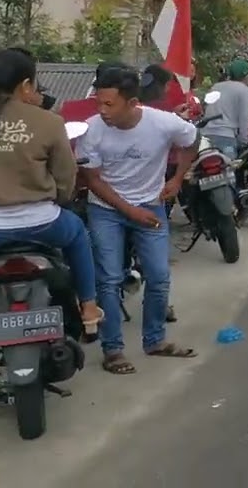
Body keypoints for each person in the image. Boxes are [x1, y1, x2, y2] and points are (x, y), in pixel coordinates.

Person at [76, 67, 201, 375]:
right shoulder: (92, 129)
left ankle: (155, 340)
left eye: (109, 104)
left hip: (151, 206)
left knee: (159, 276)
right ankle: (113, 350)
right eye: (99, 103)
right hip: (106, 210)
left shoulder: (163, 122)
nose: (102, 111)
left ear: (133, 103)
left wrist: (178, 179)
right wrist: (130, 212)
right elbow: (91, 179)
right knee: (109, 278)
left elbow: (193, 140)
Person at [0, 49, 103, 337]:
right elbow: (66, 178)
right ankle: (89, 308)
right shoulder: (48, 121)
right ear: (25, 86)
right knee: (78, 233)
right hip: (40, 223)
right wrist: (59, 199)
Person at [201, 60, 248, 160]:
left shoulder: (215, 87)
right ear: (246, 76)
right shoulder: (244, 90)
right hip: (226, 138)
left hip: (205, 138)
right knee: (229, 171)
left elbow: (205, 109)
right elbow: (245, 121)